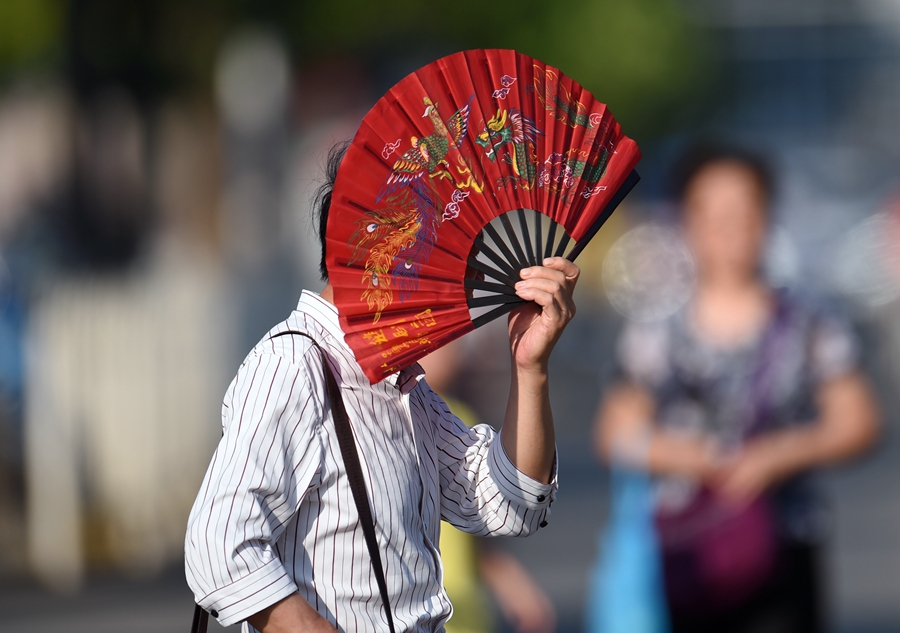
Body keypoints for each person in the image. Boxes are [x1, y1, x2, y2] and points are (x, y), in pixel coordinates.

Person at [184, 143, 580, 633]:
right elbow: (218, 544)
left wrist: (530, 366)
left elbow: (509, 504)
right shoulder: (294, 364)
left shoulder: (401, 383)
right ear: (375, 249)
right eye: (433, 251)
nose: (448, 278)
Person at [593, 145, 879, 633]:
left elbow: (859, 421)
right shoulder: (656, 332)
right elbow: (614, 432)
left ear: (767, 216)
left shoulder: (809, 323)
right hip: (688, 548)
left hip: (783, 544)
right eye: (714, 212)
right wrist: (695, 457)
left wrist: (780, 455)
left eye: (744, 210)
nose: (730, 227)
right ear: (687, 221)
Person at [418, 342, 557, 633]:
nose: (452, 350)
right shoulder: (396, 419)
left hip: (465, 615)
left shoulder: (457, 418)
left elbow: (481, 522)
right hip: (420, 608)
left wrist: (515, 588)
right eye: (439, 343)